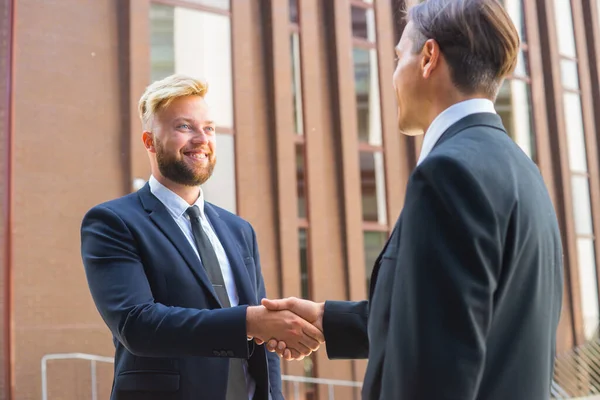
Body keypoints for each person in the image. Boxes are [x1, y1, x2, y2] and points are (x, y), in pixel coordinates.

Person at [262, 1, 564, 399]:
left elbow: (435, 371)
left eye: (398, 56)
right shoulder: (523, 170)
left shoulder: (447, 175)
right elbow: (455, 319)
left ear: (428, 57)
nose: (392, 76)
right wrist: (327, 319)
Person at [80, 74, 324, 400]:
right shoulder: (113, 222)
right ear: (150, 141)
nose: (201, 138)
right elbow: (137, 326)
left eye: (208, 128)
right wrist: (250, 323)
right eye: (184, 127)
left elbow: (264, 344)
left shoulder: (239, 230)